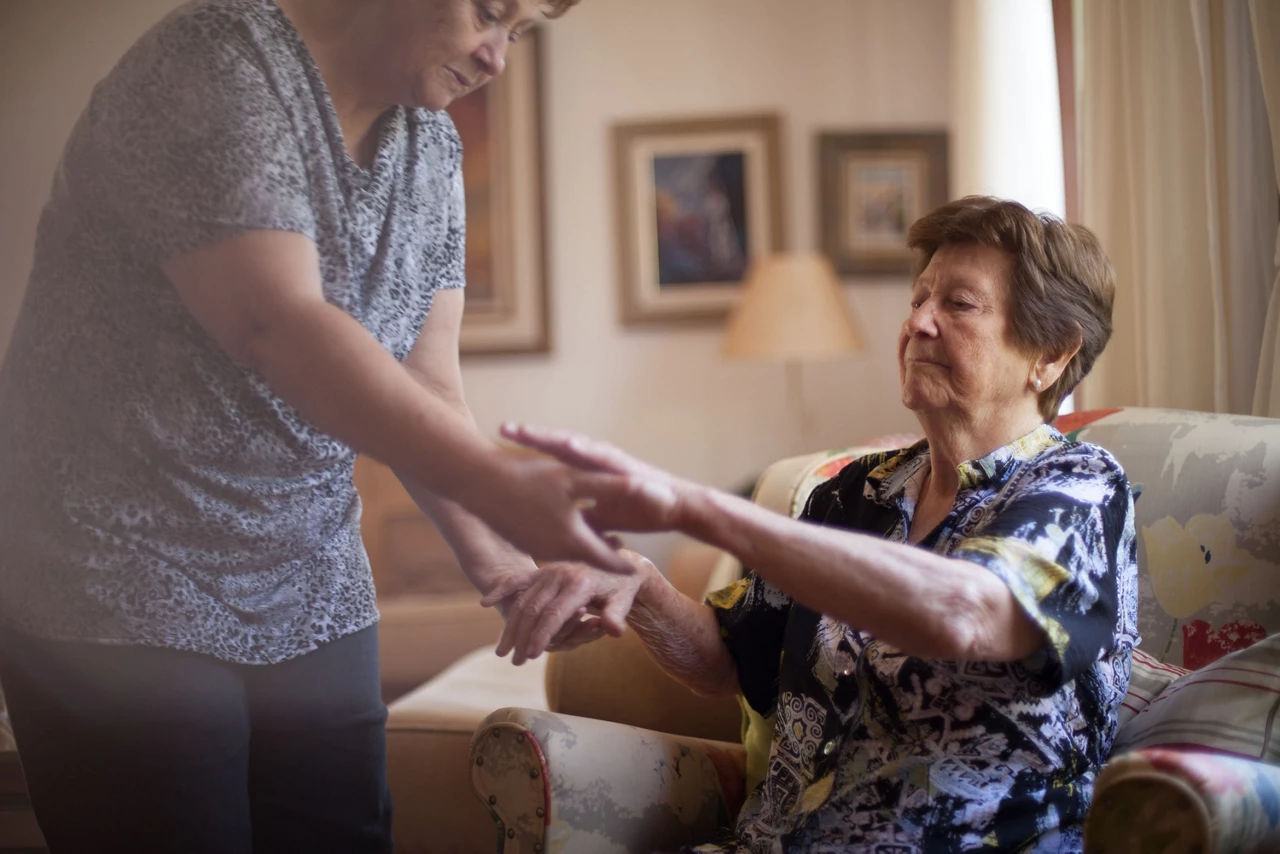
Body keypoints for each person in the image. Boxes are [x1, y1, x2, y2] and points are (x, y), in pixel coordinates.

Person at [0, 1, 634, 851]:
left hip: (310, 579)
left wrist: (505, 563)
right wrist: (512, 489)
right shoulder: (215, 62)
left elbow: (425, 379)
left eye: (519, 32)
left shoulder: (432, 147)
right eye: (489, 12)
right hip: (115, 569)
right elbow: (277, 326)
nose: (496, 59)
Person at [489, 196, 1140, 852]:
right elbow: (730, 661)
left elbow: (963, 613)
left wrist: (696, 507)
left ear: (1051, 354)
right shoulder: (854, 495)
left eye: (959, 304)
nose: (918, 322)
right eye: (918, 299)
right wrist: (636, 583)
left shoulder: (1077, 491)